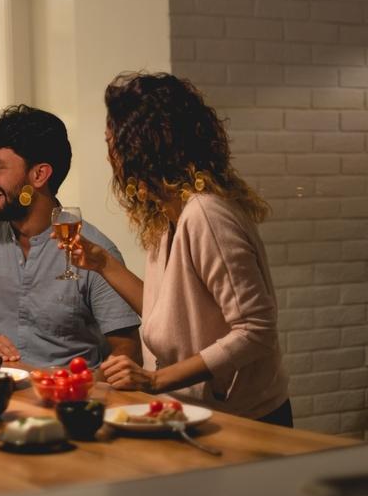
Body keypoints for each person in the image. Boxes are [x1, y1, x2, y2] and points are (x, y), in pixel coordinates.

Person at [65, 72, 291, 425]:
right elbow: (166, 314)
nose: (110, 157)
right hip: (190, 411)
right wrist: (103, 263)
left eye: (112, 142)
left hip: (242, 419)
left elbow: (255, 331)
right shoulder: (166, 214)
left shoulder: (205, 214)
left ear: (138, 148)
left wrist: (155, 380)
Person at [0, 105, 141, 367]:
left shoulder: (94, 251)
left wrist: (80, 387)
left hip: (64, 397)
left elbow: (128, 352)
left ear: (39, 175)